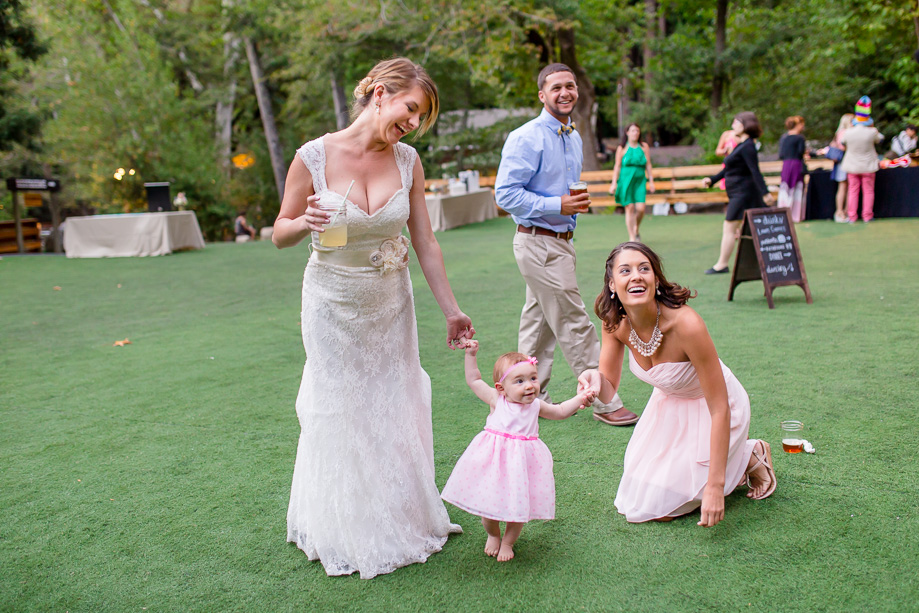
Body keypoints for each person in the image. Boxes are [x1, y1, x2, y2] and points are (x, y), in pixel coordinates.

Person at [272, 57, 475, 579]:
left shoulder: (408, 161)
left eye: (421, 117)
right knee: (340, 406)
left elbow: (425, 241)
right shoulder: (313, 157)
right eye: (411, 108)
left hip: (390, 303)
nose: (413, 123)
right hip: (330, 301)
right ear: (380, 93)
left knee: (393, 401)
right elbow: (279, 232)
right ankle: (344, 526)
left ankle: (400, 517)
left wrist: (452, 310)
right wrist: (303, 220)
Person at [578, 242, 777, 526]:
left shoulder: (686, 324)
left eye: (644, 269)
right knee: (644, 501)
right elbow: (608, 390)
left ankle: (750, 454)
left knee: (667, 508)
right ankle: (741, 458)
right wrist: (594, 379)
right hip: (669, 407)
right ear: (612, 283)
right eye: (625, 271)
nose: (636, 276)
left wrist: (715, 486)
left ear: (656, 279)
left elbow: (720, 408)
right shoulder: (614, 322)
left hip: (717, 408)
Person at [495, 63, 637, 426]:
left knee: (538, 325)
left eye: (570, 86)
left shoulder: (573, 137)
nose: (564, 93)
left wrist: (567, 208)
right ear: (542, 95)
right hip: (537, 243)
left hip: (561, 243)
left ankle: (526, 398)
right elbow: (505, 195)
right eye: (556, 87)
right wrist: (556, 204)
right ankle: (605, 400)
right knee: (575, 321)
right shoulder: (526, 137)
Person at [441, 340, 594, 562]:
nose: (529, 386)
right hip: (493, 464)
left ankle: (508, 542)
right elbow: (474, 380)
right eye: (519, 381)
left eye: (533, 378)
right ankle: (493, 534)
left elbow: (560, 411)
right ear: (501, 388)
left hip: (522, 466)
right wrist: (471, 355)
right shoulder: (497, 400)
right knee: (488, 508)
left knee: (518, 508)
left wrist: (580, 398)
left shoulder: (536, 405)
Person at [701, 111, 774, 274]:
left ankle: (722, 264)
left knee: (730, 227)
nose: (733, 125)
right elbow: (728, 168)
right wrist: (712, 180)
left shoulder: (748, 147)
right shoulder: (742, 145)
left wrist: (765, 193)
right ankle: (764, 260)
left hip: (743, 193)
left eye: (736, 122)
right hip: (737, 192)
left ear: (746, 125)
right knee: (748, 228)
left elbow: (755, 171)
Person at [840, 96, 884, 223]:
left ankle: (852, 216)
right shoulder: (872, 131)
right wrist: (872, 126)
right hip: (868, 166)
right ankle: (867, 216)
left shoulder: (848, 132)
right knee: (868, 191)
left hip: (852, 166)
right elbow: (880, 139)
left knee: (852, 191)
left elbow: (842, 142)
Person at [609, 123, 655, 242]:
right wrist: (614, 183)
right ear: (627, 132)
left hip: (640, 181)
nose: (635, 133)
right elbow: (617, 166)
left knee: (641, 208)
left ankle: (636, 228)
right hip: (626, 180)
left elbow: (648, 164)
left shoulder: (644, 147)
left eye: (637, 131)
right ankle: (632, 237)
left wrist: (651, 181)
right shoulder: (622, 148)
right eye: (633, 131)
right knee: (629, 207)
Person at [819, 114, 855, 223]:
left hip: (848, 162)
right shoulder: (843, 133)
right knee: (843, 186)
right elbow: (843, 147)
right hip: (843, 162)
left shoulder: (842, 133)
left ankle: (847, 211)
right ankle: (839, 211)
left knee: (849, 187)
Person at [777, 116, 808, 223]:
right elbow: (801, 152)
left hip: (786, 165)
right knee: (796, 187)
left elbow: (781, 154)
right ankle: (795, 214)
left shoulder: (784, 137)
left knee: (785, 187)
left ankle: (783, 213)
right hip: (796, 164)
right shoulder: (800, 138)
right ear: (797, 125)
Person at [714, 125, 738, 190]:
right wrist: (725, 151)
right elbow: (717, 151)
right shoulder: (726, 134)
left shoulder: (745, 136)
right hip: (728, 166)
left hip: (740, 166)